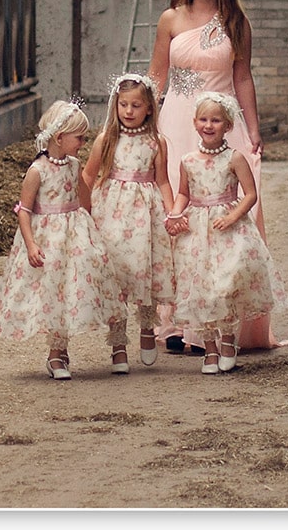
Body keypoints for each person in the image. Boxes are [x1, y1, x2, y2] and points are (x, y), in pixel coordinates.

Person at [145, 0, 288, 352]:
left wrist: (254, 128)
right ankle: (176, 325)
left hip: (223, 123)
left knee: (226, 221)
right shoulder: (171, 19)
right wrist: (145, 127)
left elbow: (243, 77)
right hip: (178, 119)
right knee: (180, 217)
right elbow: (158, 75)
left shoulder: (235, 22)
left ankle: (219, 324)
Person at [0, 99, 125, 380]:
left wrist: (92, 225)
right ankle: (56, 355)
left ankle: (80, 349)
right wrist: (31, 245)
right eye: (79, 138)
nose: (83, 142)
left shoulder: (73, 165)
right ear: (60, 137)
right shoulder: (37, 171)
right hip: (48, 238)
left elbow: (83, 198)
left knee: (76, 287)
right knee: (53, 292)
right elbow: (23, 211)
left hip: (75, 234)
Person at [163, 92, 288, 374]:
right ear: (195, 122)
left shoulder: (234, 158)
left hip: (228, 230)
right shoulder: (188, 160)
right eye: (204, 119)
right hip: (197, 232)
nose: (209, 125)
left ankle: (229, 342)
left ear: (228, 126)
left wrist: (233, 215)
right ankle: (210, 349)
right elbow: (184, 193)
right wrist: (175, 212)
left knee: (225, 285)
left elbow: (250, 194)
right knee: (202, 289)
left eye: (216, 121)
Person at [81, 73, 176, 369]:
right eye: (124, 104)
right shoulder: (106, 139)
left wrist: (172, 212)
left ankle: (147, 329)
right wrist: (82, 210)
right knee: (117, 274)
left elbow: (162, 181)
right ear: (116, 105)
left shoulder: (157, 142)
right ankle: (118, 343)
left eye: (136, 105)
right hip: (112, 214)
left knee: (145, 270)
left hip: (146, 215)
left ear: (149, 108)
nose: (129, 111)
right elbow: (87, 175)